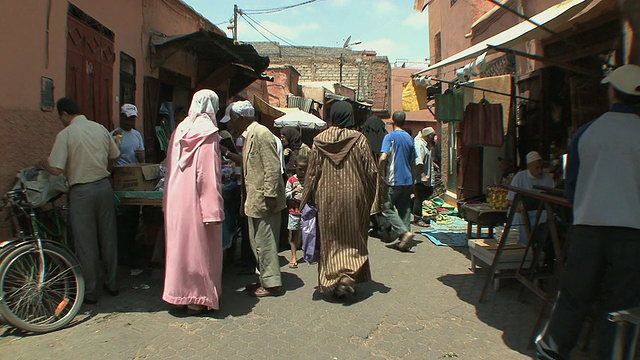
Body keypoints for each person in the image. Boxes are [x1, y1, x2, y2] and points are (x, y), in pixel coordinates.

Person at [535, 64, 640, 359]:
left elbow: (572, 186)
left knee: (573, 296)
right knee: (621, 306)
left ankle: (554, 350)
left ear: (612, 93)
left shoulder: (587, 133)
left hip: (589, 228)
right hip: (632, 234)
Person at [43, 97, 120, 305]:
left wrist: (43, 164)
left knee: (86, 243)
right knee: (108, 237)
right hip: (104, 187)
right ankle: (112, 283)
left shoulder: (66, 134)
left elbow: (57, 169)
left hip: (81, 191)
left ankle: (92, 290)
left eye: (60, 117)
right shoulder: (99, 128)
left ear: (65, 115)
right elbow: (115, 153)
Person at [301, 101, 378, 301]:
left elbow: (312, 173)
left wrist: (305, 198)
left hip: (326, 198)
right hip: (355, 197)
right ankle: (348, 275)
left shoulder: (319, 140)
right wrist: (372, 199)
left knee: (331, 240)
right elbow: (371, 171)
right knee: (354, 237)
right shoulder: (359, 139)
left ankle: (335, 278)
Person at [163, 89, 224, 315]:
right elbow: (207, 174)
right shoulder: (209, 133)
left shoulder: (180, 130)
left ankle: (177, 293)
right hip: (198, 200)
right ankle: (198, 298)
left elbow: (170, 166)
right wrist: (213, 210)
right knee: (201, 250)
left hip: (176, 197)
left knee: (180, 248)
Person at [221, 100, 286, 298]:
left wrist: (270, 195)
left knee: (265, 242)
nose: (230, 124)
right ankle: (264, 278)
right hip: (255, 199)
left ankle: (272, 283)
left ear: (241, 118)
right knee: (256, 242)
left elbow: (272, 168)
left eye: (232, 119)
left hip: (265, 200)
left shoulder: (261, 134)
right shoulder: (250, 135)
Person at [111, 104, 146, 266]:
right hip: (121, 179)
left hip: (135, 179)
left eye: (132, 118)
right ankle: (121, 253)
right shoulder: (116, 135)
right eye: (127, 117)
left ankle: (131, 249)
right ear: (121, 117)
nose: (129, 121)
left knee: (133, 217)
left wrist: (141, 157)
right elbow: (112, 158)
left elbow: (142, 157)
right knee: (122, 219)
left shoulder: (137, 135)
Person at [379, 111, 416, 252]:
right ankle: (404, 242)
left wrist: (380, 173)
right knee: (405, 209)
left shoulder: (390, 137)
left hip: (394, 179)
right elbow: (413, 161)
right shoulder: (409, 138)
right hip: (407, 179)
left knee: (387, 207)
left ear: (393, 121)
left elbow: (383, 157)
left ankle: (403, 232)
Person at [507, 151, 554, 245]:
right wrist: (521, 208)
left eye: (541, 167)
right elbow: (510, 200)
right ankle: (523, 245)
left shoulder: (548, 178)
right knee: (518, 216)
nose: (540, 170)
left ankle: (540, 245)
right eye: (537, 167)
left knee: (547, 215)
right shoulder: (519, 177)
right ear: (529, 167)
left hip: (539, 211)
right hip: (523, 211)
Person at [285, 156, 308, 269]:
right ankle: (294, 256)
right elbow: (286, 195)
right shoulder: (291, 180)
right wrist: (293, 191)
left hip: (307, 212)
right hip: (294, 211)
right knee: (294, 234)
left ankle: (308, 254)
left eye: (305, 169)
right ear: (295, 168)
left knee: (307, 234)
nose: (302, 172)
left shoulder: (309, 180)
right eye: (300, 169)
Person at [413, 126, 436, 227]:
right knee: (420, 197)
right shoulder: (419, 145)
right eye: (432, 136)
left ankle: (412, 208)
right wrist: (422, 175)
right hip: (420, 177)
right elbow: (419, 162)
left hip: (425, 176)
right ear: (427, 136)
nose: (434, 138)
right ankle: (417, 218)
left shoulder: (426, 145)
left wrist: (434, 165)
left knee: (426, 193)